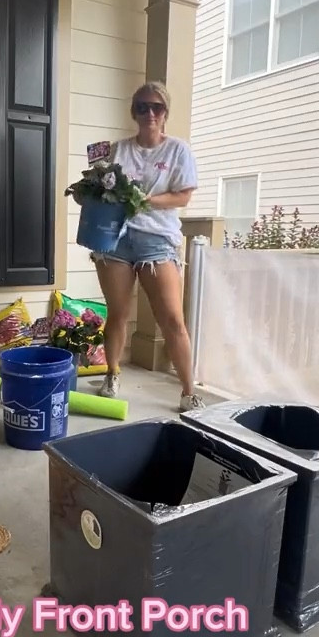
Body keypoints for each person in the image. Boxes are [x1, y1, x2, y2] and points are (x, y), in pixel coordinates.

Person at [92, 81, 204, 413]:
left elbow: (183, 196)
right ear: (134, 112)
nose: (149, 113)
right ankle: (112, 373)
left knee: (171, 318)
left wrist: (146, 200)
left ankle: (188, 390)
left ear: (166, 113)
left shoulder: (178, 150)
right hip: (116, 239)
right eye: (142, 107)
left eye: (156, 107)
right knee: (118, 313)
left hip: (157, 241)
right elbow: (96, 185)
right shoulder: (116, 149)